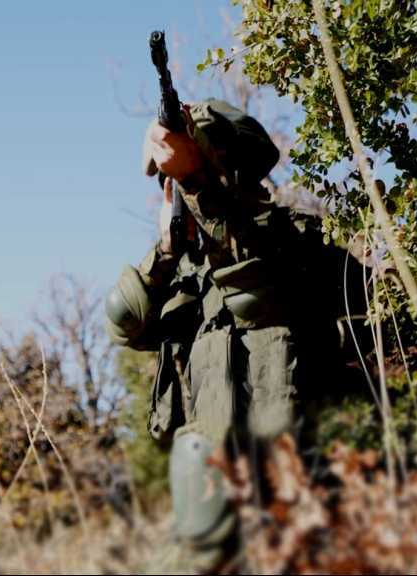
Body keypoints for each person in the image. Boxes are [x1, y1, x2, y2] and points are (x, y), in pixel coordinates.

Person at [105, 98, 355, 573]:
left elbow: (248, 281)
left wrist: (199, 181)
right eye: (171, 184)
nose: (177, 191)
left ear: (234, 168)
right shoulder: (180, 272)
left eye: (188, 176)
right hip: (210, 514)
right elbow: (124, 322)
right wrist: (164, 251)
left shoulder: (294, 238)